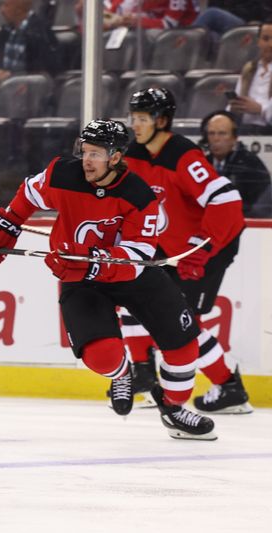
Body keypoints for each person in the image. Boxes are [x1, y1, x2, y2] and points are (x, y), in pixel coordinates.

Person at [0, 119, 216, 440]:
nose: (86, 160)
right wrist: (9, 220)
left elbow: (134, 260)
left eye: (96, 154)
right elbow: (30, 192)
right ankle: (122, 373)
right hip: (81, 276)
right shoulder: (62, 174)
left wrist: (88, 261)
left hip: (131, 276)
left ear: (116, 157)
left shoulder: (140, 197)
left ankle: (172, 408)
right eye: (84, 151)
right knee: (102, 357)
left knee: (185, 349)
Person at [123, 88, 252, 414]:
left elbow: (226, 201)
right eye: (133, 118)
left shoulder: (183, 155)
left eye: (142, 119)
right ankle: (143, 374)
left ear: (162, 120)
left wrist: (201, 249)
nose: (135, 125)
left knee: (183, 322)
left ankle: (229, 387)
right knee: (133, 298)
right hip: (171, 249)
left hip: (211, 245)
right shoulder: (134, 153)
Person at [201, 110, 272, 218]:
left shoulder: (250, 164)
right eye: (211, 133)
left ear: (234, 138)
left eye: (222, 133)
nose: (216, 139)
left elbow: (259, 208)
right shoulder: (201, 164)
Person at [0, 0, 60, 85]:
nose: (2, 11)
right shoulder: (5, 31)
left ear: (19, 9)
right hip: (4, 88)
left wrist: (16, 78)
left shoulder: (40, 33)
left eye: (6, 6)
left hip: (30, 91)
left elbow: (46, 73)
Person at [228, 21, 272, 133]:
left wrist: (261, 110)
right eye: (266, 39)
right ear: (258, 42)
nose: (271, 44)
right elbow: (232, 106)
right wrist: (233, 108)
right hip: (244, 130)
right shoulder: (249, 69)